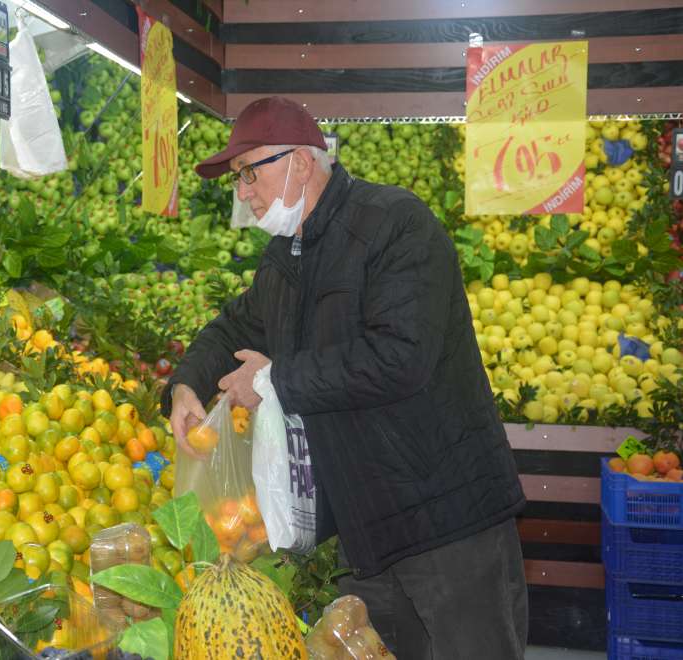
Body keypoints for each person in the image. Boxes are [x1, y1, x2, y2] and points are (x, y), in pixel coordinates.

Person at [160, 96, 528, 659]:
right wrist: (186, 383)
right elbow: (235, 323)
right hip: (365, 530)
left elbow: (401, 356)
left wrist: (275, 380)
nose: (243, 192)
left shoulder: (396, 225)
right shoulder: (286, 256)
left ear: (302, 164)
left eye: (249, 172)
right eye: (237, 179)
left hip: (446, 520)